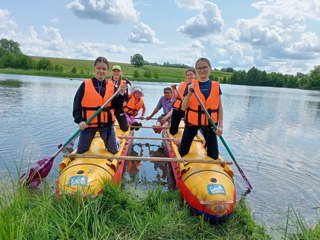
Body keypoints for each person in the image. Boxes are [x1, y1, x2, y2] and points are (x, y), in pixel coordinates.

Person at [73, 56, 127, 154]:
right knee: (81, 151)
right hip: (88, 124)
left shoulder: (111, 86)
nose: (101, 71)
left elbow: (117, 105)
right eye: (99, 68)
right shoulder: (85, 84)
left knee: (114, 150)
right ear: (94, 67)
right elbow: (76, 106)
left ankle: (116, 141)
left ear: (107, 70)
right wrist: (79, 121)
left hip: (106, 125)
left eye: (104, 69)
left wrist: (122, 94)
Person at [178, 57, 223, 160]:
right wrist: (189, 94)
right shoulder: (190, 85)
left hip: (210, 124)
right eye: (199, 68)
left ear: (210, 68)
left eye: (205, 67)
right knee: (183, 151)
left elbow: (220, 108)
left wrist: (220, 126)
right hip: (192, 123)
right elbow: (183, 107)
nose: (202, 70)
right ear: (196, 70)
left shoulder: (216, 86)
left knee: (214, 155)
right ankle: (179, 143)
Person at [169, 68, 196, 136]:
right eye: (188, 75)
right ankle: (173, 138)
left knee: (190, 126)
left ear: (195, 75)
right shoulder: (182, 84)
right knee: (173, 128)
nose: (189, 76)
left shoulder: (198, 85)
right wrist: (173, 89)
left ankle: (187, 139)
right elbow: (175, 97)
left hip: (189, 109)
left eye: (191, 74)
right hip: (178, 108)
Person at [109, 65, 129, 132]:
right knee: (107, 124)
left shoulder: (124, 83)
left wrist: (125, 100)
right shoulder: (107, 83)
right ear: (112, 72)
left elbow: (127, 98)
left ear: (120, 73)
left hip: (119, 107)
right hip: (109, 106)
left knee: (125, 128)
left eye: (118, 71)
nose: (116, 73)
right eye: (114, 71)